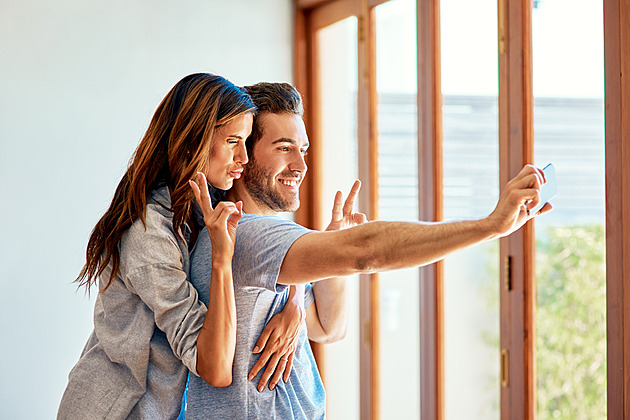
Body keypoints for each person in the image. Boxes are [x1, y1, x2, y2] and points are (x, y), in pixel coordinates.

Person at [184, 82, 551, 419]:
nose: (300, 165)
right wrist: (489, 226)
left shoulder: (246, 236)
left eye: (303, 150)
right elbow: (368, 251)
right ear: (244, 154)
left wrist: (307, 284)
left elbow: (330, 327)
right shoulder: (245, 236)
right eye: (284, 149)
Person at [58, 74, 306, 419]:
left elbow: (271, 248)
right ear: (194, 143)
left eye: (246, 142)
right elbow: (215, 368)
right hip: (119, 410)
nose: (243, 158)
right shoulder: (149, 233)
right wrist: (222, 258)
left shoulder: (203, 200)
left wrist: (294, 303)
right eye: (234, 141)